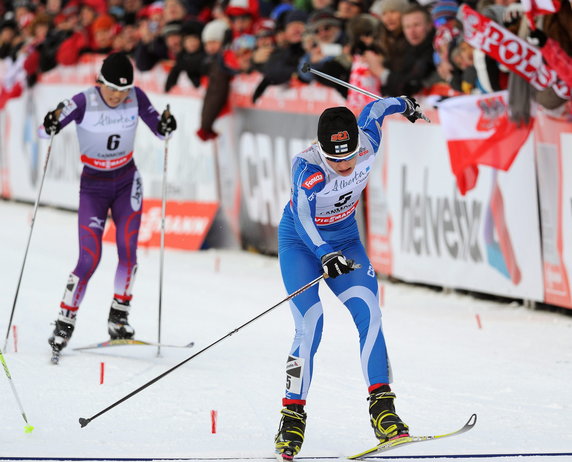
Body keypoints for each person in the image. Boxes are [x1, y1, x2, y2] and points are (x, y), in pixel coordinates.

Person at [274, 96, 426, 460]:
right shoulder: (307, 169)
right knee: (310, 324)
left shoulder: (369, 139)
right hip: (302, 244)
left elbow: (376, 109)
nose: (344, 166)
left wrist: (405, 104)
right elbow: (304, 220)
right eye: (334, 159)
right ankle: (292, 416)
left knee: (370, 312)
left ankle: (383, 411)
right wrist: (325, 254)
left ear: (359, 143)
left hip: (346, 240)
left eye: (349, 156)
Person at [39, 52, 177, 360]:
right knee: (89, 257)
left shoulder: (135, 97)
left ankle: (118, 318)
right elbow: (45, 130)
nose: (117, 95)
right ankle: (64, 320)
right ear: (100, 81)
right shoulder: (84, 100)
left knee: (128, 250)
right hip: (94, 187)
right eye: (112, 88)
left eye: (123, 90)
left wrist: (167, 125)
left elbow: (159, 128)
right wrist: (49, 123)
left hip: (127, 182)